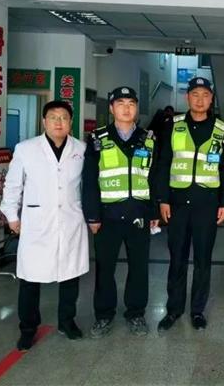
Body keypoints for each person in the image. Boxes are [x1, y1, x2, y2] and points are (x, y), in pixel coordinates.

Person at [0, 100, 88, 351]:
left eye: (64, 118)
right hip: (37, 222)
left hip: (71, 220)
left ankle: (67, 322)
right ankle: (28, 329)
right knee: (30, 278)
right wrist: (12, 216)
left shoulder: (81, 149)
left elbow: (88, 186)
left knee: (70, 275)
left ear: (71, 122)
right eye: (53, 117)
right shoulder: (26, 149)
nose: (59, 122)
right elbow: (13, 185)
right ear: (43, 121)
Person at [155, 77, 224, 331]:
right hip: (177, 204)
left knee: (203, 260)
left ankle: (198, 310)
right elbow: (162, 163)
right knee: (177, 258)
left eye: (205, 95)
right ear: (187, 97)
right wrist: (162, 199)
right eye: (195, 95)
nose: (200, 100)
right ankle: (173, 309)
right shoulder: (173, 126)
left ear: (211, 99)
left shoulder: (222, 130)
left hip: (207, 205)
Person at [82, 86, 159, 338]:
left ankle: (136, 313)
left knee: (139, 268)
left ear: (136, 108)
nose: (126, 109)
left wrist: (154, 212)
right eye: (121, 104)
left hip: (139, 214)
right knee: (105, 269)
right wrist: (92, 215)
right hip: (108, 216)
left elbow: (154, 178)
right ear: (112, 108)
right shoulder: (97, 139)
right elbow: (90, 179)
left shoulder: (149, 139)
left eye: (131, 104)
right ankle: (104, 315)